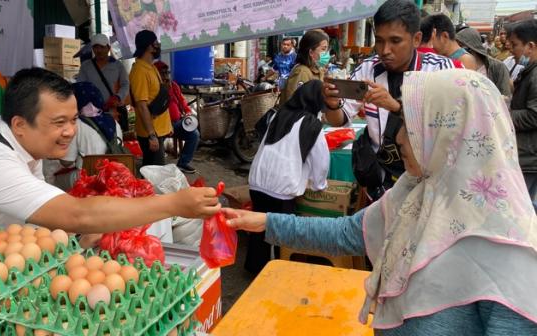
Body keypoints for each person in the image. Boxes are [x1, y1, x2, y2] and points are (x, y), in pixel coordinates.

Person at [224, 69, 537, 335]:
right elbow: (347, 234)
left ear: (451, 133)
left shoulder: (512, 252)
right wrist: (262, 222)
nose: (399, 138)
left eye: (412, 126)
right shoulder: (416, 191)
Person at [0, 67, 219, 256]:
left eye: (73, 120)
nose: (71, 131)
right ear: (20, 124)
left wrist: (78, 241)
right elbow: (77, 214)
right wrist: (173, 204)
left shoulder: (11, 135)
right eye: (59, 122)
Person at [322, 0, 455, 199]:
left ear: (416, 39)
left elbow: (451, 128)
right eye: (380, 40)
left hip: (428, 184)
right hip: (381, 181)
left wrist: (395, 106)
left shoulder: (441, 70)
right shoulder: (368, 69)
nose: (384, 50)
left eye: (395, 41)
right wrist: (332, 105)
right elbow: (338, 119)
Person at [245, 80, 329, 274]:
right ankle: (280, 272)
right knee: (282, 232)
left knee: (259, 226)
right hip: (281, 188)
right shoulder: (311, 123)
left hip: (257, 182)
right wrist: (319, 184)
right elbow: (321, 160)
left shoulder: (278, 114)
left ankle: (255, 268)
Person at [45, 81, 124, 190]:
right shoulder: (114, 122)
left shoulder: (76, 124)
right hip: (114, 176)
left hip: (90, 179)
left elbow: (67, 162)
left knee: (50, 177)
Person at [129, 30, 172, 167]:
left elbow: (157, 97)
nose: (158, 45)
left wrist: (168, 126)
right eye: (155, 43)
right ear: (149, 46)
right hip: (152, 133)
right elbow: (141, 105)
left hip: (159, 130)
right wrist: (151, 135)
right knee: (155, 174)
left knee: (153, 171)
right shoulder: (139, 71)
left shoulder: (151, 67)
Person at [509, 19, 537, 201]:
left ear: (530, 46)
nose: (511, 50)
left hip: (529, 156)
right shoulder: (529, 70)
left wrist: (502, 114)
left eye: (515, 45)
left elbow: (534, 115)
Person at [77, 34, 130, 131]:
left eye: (102, 47)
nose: (99, 50)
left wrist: (118, 97)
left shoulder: (118, 65)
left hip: (114, 111)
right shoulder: (86, 66)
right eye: (96, 47)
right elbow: (80, 86)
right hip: (92, 113)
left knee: (115, 139)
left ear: (108, 48)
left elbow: (125, 84)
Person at [154, 60, 199, 174]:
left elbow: (182, 101)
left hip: (177, 124)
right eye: (162, 73)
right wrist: (163, 89)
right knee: (157, 144)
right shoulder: (154, 87)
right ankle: (157, 166)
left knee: (194, 135)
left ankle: (183, 163)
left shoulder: (173, 86)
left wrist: (187, 111)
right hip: (160, 125)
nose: (166, 75)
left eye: (167, 73)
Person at [455, 26, 512, 97]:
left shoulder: (498, 67)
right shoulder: (457, 66)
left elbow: (505, 96)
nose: (457, 50)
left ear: (470, 48)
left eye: (460, 46)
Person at [280, 30, 329, 105]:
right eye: (323, 49)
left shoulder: (317, 71)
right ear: (311, 52)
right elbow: (296, 105)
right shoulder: (302, 72)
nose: (326, 53)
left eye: (326, 49)